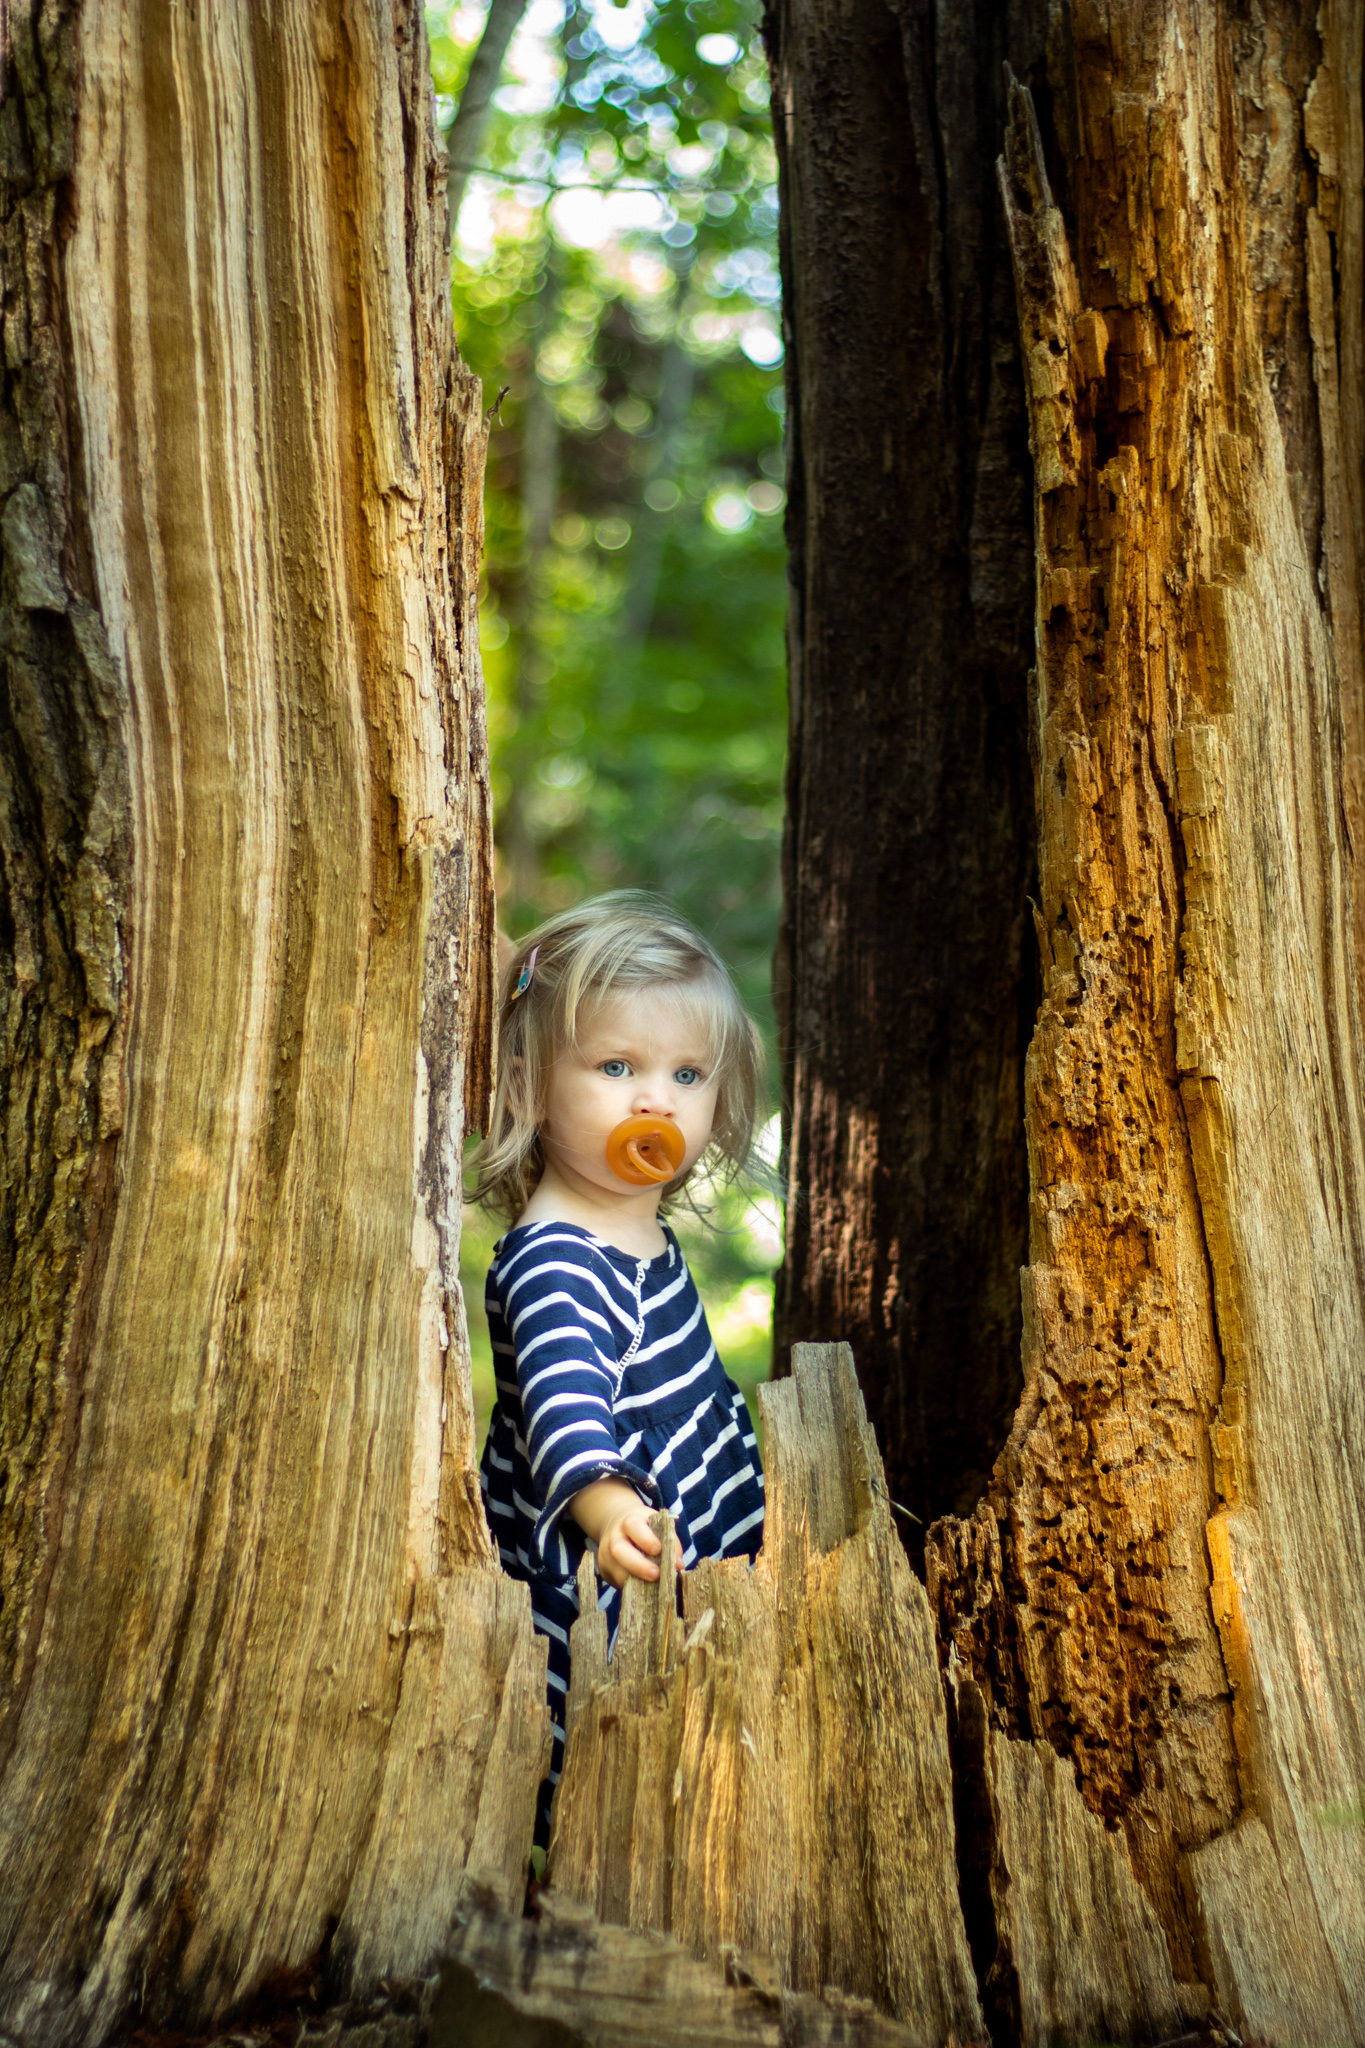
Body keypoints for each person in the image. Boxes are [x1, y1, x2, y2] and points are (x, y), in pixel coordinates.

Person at [470, 892, 766, 1844]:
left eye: (687, 1072)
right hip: (604, 1592)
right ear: (528, 1088)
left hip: (685, 1583)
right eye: (615, 1066)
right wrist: (604, 1508)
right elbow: (564, 1405)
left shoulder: (640, 1235)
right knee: (605, 1802)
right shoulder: (558, 1255)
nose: (657, 1100)